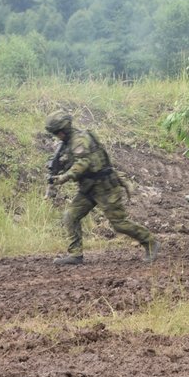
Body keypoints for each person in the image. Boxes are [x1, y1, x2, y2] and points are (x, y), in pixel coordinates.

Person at [45, 110, 159, 265]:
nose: (57, 136)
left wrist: (65, 177)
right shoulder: (66, 144)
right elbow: (66, 163)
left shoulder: (80, 140)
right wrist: (54, 176)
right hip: (89, 188)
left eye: (57, 133)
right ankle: (76, 254)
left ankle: (150, 241)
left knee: (119, 224)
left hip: (105, 186)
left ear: (64, 129)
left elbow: (83, 163)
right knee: (70, 216)